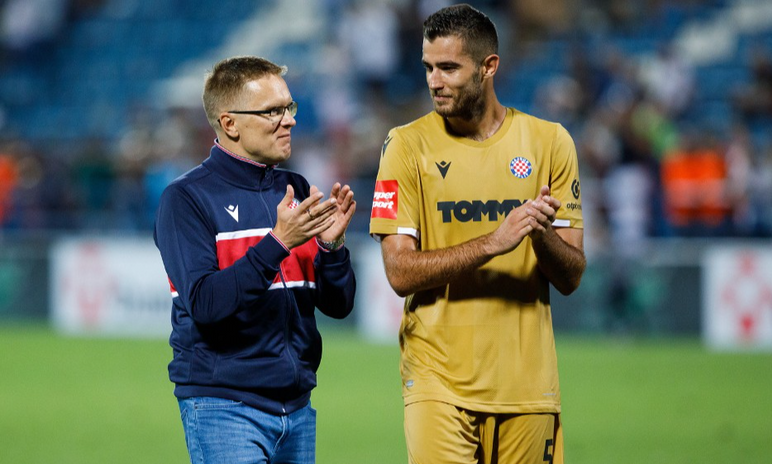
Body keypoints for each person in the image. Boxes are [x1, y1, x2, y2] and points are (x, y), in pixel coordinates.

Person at [369, 5, 586, 464]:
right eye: (428, 67)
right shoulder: (405, 145)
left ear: (489, 67)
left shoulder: (551, 143)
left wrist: (539, 234)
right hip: (437, 382)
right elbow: (400, 272)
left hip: (528, 387)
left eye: (448, 67)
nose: (434, 81)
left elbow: (571, 277)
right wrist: (495, 241)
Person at [154, 56, 357, 464]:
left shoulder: (294, 187)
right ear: (230, 124)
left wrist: (332, 250)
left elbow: (339, 306)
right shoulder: (187, 199)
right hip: (223, 406)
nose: (290, 121)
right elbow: (206, 305)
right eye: (273, 111)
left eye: (290, 107)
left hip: (297, 406)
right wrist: (279, 242)